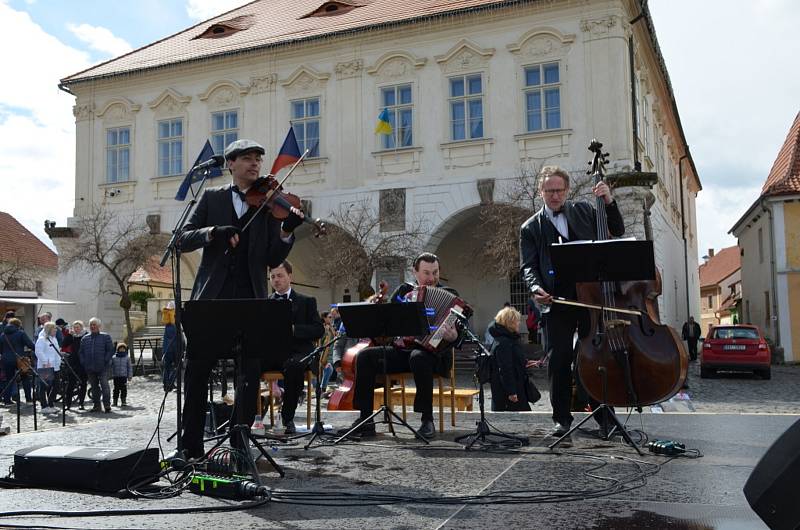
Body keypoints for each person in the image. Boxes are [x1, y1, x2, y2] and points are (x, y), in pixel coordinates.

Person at [177, 139, 301, 459]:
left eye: (258, 159)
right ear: (231, 164)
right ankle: (189, 446)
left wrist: (287, 230)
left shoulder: (268, 203)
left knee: (249, 374)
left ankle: (240, 442)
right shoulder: (212, 197)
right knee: (197, 370)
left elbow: (273, 257)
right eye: (247, 158)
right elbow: (181, 239)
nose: (255, 164)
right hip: (212, 300)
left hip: (251, 299)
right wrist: (213, 232)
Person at [520, 165, 624, 436]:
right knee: (558, 359)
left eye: (559, 190)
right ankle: (561, 419)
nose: (554, 196)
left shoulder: (584, 211)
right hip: (556, 300)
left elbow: (617, 229)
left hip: (590, 296)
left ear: (566, 190)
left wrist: (608, 201)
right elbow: (528, 266)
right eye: (549, 191)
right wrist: (535, 288)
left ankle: (604, 416)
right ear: (540, 191)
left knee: (594, 356)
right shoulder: (530, 227)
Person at [341, 252, 460, 439]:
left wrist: (453, 336)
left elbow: (458, 335)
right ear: (415, 272)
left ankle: (426, 420)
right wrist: (378, 312)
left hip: (434, 355)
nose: (431, 278)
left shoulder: (451, 296)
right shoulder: (403, 292)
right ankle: (365, 420)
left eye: (435, 272)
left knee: (419, 357)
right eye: (426, 273)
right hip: (403, 351)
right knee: (365, 357)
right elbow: (386, 326)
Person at [266, 260, 324, 434]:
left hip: (298, 353)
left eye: (280, 276)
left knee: (294, 366)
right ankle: (250, 418)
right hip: (273, 353)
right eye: (273, 276)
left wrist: (294, 329)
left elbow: (318, 330)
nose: (276, 280)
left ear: (290, 276)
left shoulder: (307, 301)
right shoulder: (265, 302)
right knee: (247, 362)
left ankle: (287, 418)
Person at [488, 307, 539, 412]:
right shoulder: (504, 342)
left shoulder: (508, 339)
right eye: (517, 321)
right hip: (509, 392)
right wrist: (511, 392)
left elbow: (513, 359)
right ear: (510, 323)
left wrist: (526, 363)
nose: (519, 323)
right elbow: (505, 369)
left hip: (516, 386)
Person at [78, 317, 115, 413]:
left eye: (94, 325)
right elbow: (81, 352)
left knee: (105, 386)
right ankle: (96, 406)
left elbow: (110, 350)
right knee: (94, 388)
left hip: (103, 367)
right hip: (90, 367)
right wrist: (83, 362)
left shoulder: (105, 337)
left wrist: (105, 360)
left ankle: (107, 405)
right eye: (91, 325)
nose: (92, 326)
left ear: (99, 326)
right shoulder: (85, 338)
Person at [1, 317, 35, 405]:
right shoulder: (20, 333)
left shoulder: (3, 335)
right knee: (25, 378)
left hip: (6, 360)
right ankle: (28, 399)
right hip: (20, 359)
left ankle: (7, 400)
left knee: (9, 380)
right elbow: (30, 344)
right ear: (18, 325)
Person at [35, 322, 62, 413]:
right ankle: (44, 406)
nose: (56, 330)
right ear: (49, 330)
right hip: (45, 367)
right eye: (54, 328)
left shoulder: (54, 339)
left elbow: (56, 351)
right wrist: (45, 362)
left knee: (57, 386)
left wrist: (59, 362)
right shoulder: (42, 339)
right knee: (44, 387)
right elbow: (38, 351)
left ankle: (51, 403)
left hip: (55, 366)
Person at [63, 321, 88, 409]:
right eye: (75, 327)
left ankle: (81, 403)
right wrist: (69, 335)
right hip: (73, 362)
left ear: (82, 327)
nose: (76, 329)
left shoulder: (86, 335)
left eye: (78, 327)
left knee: (83, 383)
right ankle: (68, 404)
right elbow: (64, 344)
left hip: (83, 362)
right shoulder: (72, 336)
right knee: (70, 384)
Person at [161, 303, 177, 392]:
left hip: (166, 350)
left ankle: (166, 384)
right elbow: (174, 341)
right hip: (173, 350)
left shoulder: (167, 326)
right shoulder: (173, 327)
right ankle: (169, 384)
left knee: (167, 368)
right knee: (174, 367)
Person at [111, 343, 133, 407]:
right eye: (120, 348)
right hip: (116, 376)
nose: (122, 350)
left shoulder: (127, 358)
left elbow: (129, 367)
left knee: (123, 389)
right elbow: (110, 365)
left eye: (123, 349)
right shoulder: (114, 357)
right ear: (118, 349)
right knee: (116, 389)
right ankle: (115, 401)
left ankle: (123, 401)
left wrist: (130, 376)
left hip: (123, 376)